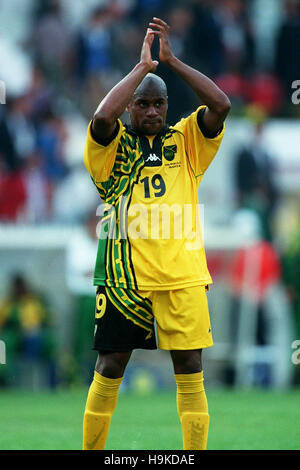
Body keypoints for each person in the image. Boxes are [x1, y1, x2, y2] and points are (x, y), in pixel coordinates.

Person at [82, 17, 230, 450]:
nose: (150, 111)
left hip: (181, 278)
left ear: (167, 107)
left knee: (190, 368)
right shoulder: (111, 148)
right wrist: (143, 70)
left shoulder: (186, 142)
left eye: (157, 105)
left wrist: (172, 62)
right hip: (124, 280)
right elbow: (101, 116)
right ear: (132, 106)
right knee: (110, 367)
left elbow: (220, 105)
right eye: (143, 104)